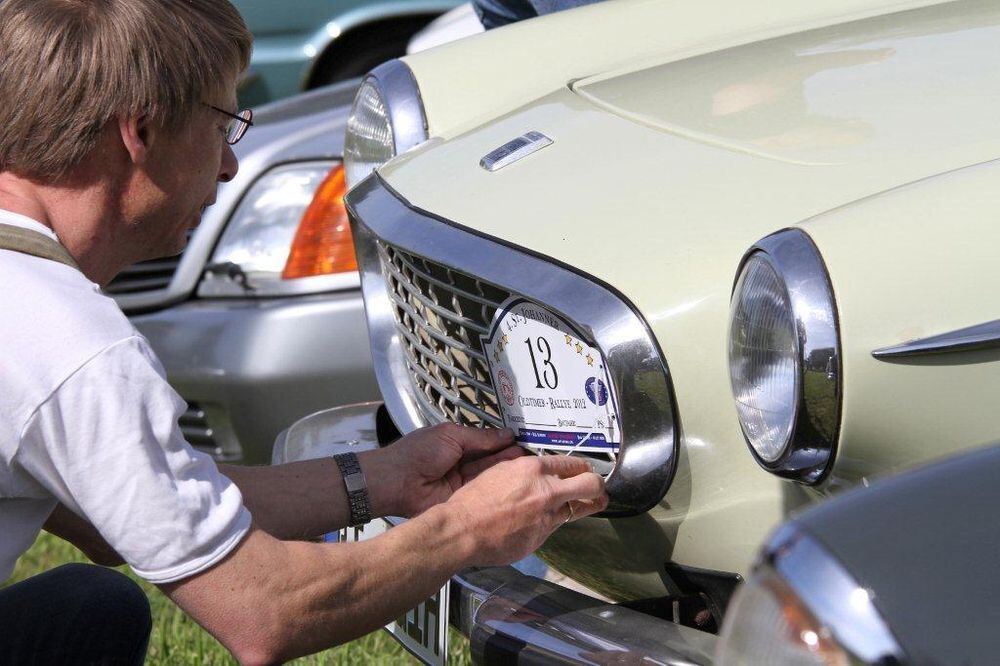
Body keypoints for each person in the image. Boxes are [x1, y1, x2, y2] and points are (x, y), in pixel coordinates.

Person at [0, 1, 608, 663]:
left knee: (89, 611)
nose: (229, 167)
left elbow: (112, 522)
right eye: (224, 125)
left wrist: (390, 477)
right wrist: (462, 532)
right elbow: (262, 612)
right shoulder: (68, 342)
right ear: (140, 131)